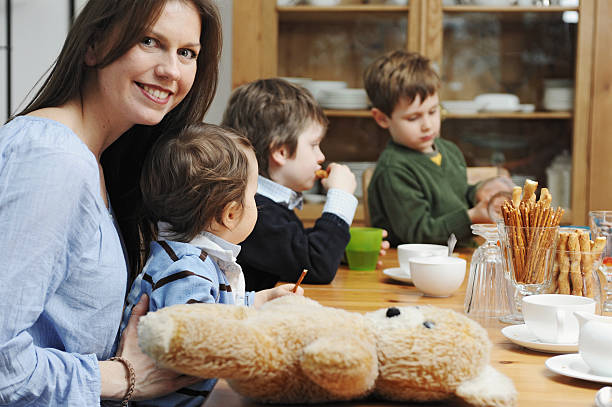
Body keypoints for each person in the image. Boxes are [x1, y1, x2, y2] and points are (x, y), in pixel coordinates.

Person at [0, 0, 223, 404]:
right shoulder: (52, 159)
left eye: (186, 52)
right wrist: (122, 377)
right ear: (95, 45)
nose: (171, 70)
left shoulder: (97, 159)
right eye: (150, 41)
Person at [120, 123, 302, 406]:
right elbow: (195, 343)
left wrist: (259, 301)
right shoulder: (186, 270)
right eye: (253, 196)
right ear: (230, 214)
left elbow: (215, 310)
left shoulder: (188, 259)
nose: (256, 204)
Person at [222, 78, 366, 291]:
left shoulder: (266, 204)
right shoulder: (252, 211)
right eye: (314, 145)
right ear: (281, 151)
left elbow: (292, 251)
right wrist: (340, 197)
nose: (321, 156)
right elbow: (316, 265)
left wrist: (341, 251)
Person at [364, 50, 513, 246]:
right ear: (382, 118)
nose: (427, 124)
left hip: (456, 258)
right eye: (413, 117)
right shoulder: (394, 170)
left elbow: (452, 198)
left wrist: (479, 193)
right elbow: (419, 233)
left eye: (433, 111)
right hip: (416, 267)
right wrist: (471, 217)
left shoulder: (448, 150)